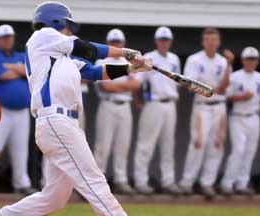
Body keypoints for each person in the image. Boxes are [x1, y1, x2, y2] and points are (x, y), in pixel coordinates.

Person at [0, 1, 169, 216]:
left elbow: (95, 71)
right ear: (56, 21)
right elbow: (85, 48)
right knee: (95, 182)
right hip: (56, 121)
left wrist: (132, 68)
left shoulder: (60, 57)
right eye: (67, 25)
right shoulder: (43, 37)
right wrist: (126, 52)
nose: (69, 30)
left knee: (54, 197)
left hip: (63, 125)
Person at [179, 27, 233, 200]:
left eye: (214, 39)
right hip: (202, 106)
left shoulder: (223, 61)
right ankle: (187, 182)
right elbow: (190, 84)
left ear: (218, 41)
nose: (211, 43)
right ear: (203, 42)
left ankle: (207, 183)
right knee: (198, 143)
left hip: (219, 106)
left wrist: (230, 64)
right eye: (208, 39)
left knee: (217, 144)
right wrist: (211, 90)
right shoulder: (195, 60)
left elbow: (224, 88)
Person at [0, 24, 35, 195]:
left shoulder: (21, 55)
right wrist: (18, 69)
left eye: (9, 37)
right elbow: (2, 75)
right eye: (4, 38)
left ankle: (21, 183)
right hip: (0, 111)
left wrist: (13, 67)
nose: (7, 40)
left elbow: (31, 71)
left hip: (22, 111)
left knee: (21, 149)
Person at [133, 27, 181, 196]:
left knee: (168, 145)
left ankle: (168, 181)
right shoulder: (149, 57)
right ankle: (141, 181)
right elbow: (136, 82)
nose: (164, 42)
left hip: (171, 104)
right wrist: (138, 101)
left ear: (170, 41)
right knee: (146, 144)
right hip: (153, 103)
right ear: (156, 41)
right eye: (161, 39)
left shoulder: (174, 59)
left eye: (166, 40)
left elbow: (177, 83)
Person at [94, 29, 140, 195]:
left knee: (123, 144)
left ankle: (121, 180)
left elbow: (137, 85)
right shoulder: (102, 60)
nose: (116, 45)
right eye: (113, 42)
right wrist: (124, 86)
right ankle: (98, 183)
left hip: (125, 106)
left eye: (118, 42)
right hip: (107, 104)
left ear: (123, 44)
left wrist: (119, 87)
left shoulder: (128, 61)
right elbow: (106, 87)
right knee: (103, 145)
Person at [220, 47, 260, 196]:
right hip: (238, 116)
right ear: (243, 61)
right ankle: (227, 183)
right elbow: (227, 96)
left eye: (253, 59)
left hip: (253, 116)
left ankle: (242, 183)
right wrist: (241, 97)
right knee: (238, 150)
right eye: (248, 59)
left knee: (250, 151)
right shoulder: (235, 77)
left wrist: (259, 109)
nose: (251, 62)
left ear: (257, 61)